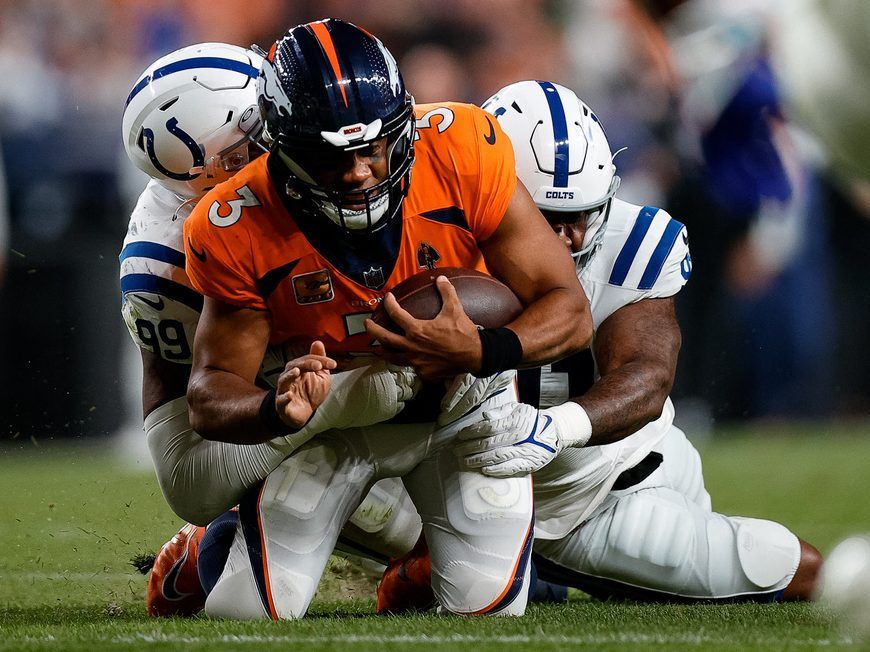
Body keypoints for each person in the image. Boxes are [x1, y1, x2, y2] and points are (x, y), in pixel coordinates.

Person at [183, 20, 591, 620]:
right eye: (329, 158)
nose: (357, 173)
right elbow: (210, 391)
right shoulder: (235, 221)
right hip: (338, 424)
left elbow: (570, 309)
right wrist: (277, 408)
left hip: (464, 407)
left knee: (488, 611)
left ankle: (415, 573)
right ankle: (209, 547)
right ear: (283, 149)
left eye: (371, 148)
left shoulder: (461, 150)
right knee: (245, 613)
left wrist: (482, 351)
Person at [378, 81, 821, 610]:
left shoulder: (632, 243)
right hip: (450, 484)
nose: (573, 238)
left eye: (585, 214)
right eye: (548, 218)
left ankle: (537, 571)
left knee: (784, 565)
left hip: (599, 495)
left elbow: (646, 374)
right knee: (318, 477)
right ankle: (504, 566)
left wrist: (556, 427)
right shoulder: (427, 235)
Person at [119, 42, 424, 617]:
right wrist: (311, 400)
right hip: (278, 402)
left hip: (361, 382)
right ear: (220, 169)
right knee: (407, 524)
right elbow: (187, 470)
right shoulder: (168, 256)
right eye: (265, 124)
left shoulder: (345, 160)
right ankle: (224, 541)